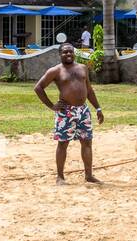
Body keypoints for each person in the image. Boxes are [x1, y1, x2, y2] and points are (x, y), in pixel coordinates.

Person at [34, 42, 104, 184]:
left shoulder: (83, 68)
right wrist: (52, 106)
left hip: (83, 111)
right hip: (66, 112)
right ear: (60, 54)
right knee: (63, 143)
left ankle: (89, 175)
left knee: (87, 142)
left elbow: (89, 90)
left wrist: (98, 108)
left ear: (74, 53)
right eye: (65, 52)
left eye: (70, 51)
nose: (68, 54)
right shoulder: (55, 71)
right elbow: (38, 88)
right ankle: (60, 177)